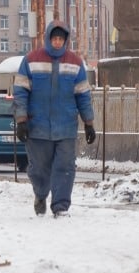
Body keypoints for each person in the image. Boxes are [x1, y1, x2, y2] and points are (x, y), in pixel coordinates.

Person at [13, 20, 95, 217]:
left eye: (61, 39)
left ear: (65, 40)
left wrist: (89, 123)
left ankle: (60, 206)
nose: (57, 42)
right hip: (37, 126)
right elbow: (20, 91)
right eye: (54, 38)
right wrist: (21, 120)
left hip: (66, 125)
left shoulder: (75, 63)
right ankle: (41, 194)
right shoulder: (31, 60)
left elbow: (83, 94)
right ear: (48, 38)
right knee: (39, 169)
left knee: (65, 167)